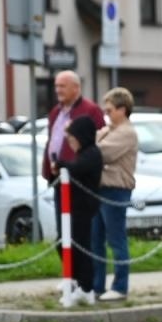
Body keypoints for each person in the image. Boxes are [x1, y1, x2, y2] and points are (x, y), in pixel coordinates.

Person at [94, 87, 140, 301]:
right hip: (100, 188)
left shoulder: (126, 132)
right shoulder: (109, 129)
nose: (107, 113)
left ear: (123, 109)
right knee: (96, 239)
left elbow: (101, 153)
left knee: (116, 239)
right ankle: (97, 285)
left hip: (116, 190)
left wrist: (90, 146)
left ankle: (120, 286)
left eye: (110, 109)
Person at [59, 114, 103, 307]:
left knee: (81, 248)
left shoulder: (91, 154)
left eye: (73, 139)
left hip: (84, 208)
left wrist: (61, 165)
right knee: (66, 244)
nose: (71, 143)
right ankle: (77, 281)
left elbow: (77, 168)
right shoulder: (84, 153)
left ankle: (86, 288)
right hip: (76, 207)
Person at [41, 71, 104, 182]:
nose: (58, 90)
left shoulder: (90, 110)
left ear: (76, 88)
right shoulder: (55, 111)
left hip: (78, 177)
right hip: (56, 174)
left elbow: (99, 142)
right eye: (56, 86)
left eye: (62, 86)